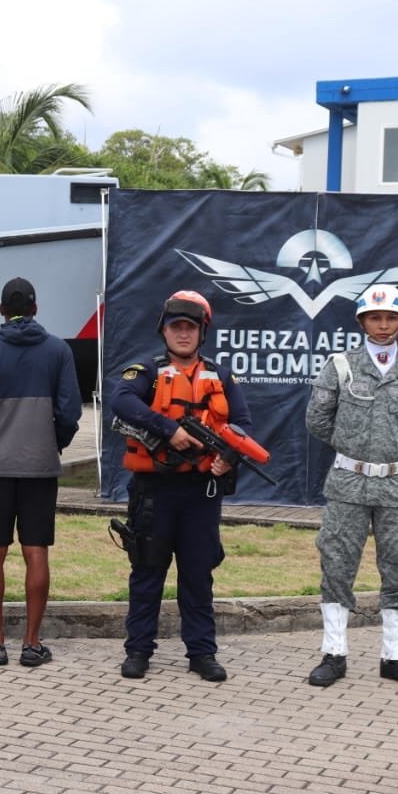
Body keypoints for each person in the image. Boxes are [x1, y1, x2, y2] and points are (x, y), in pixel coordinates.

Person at [109, 290, 253, 681]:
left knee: (198, 574)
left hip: (201, 494)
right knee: (147, 571)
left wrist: (228, 455)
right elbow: (120, 400)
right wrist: (169, 430)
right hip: (154, 492)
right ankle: (138, 650)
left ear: (202, 332)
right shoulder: (147, 371)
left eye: (191, 327)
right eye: (176, 327)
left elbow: (242, 423)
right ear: (164, 330)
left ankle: (202, 653)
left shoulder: (221, 376)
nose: (183, 334)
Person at [304, 283, 398, 690]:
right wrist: (356, 449)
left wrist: (393, 450)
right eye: (375, 317)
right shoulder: (340, 365)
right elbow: (318, 419)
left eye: (391, 318)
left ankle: (395, 656)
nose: (383, 325)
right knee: (337, 563)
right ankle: (334, 653)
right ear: (362, 321)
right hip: (347, 482)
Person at [0, 277, 81, 667]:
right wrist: (53, 443)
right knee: (36, 550)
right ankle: (32, 643)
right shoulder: (59, 351)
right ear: (35, 308)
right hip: (40, 466)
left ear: (0, 311)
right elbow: (70, 413)